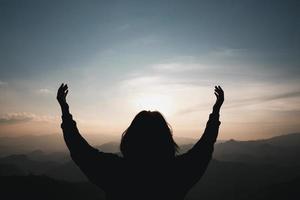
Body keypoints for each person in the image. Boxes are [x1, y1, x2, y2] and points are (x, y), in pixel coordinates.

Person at [57, 83, 224, 200]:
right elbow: (205, 146)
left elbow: (79, 149)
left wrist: (65, 109)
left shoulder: (115, 173)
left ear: (130, 139)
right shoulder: (179, 173)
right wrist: (216, 111)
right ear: (166, 140)